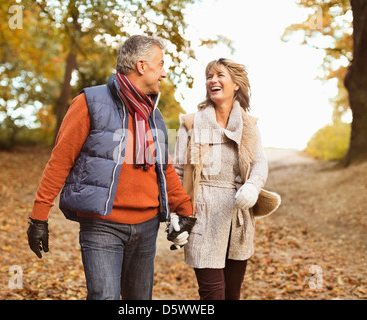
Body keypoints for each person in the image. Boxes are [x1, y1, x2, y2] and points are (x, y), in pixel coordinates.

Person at [27, 35, 193, 300]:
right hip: (103, 225)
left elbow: (163, 167)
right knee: (104, 296)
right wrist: (38, 217)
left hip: (147, 226)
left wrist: (185, 211)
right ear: (141, 66)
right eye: (160, 64)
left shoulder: (154, 114)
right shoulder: (89, 103)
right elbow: (60, 161)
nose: (163, 72)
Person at [173, 58, 281, 300]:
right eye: (209, 76)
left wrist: (253, 187)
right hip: (202, 215)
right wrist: (176, 213)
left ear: (236, 85)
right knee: (213, 293)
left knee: (232, 293)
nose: (213, 80)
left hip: (238, 217)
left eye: (220, 75)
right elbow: (178, 171)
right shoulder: (191, 124)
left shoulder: (249, 125)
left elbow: (259, 163)